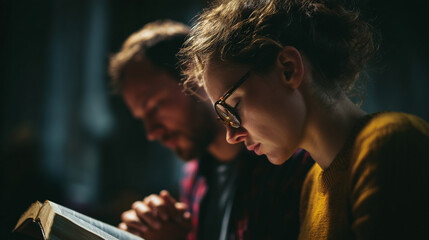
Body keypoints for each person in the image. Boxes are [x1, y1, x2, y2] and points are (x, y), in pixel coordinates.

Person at [179, 0, 429, 239]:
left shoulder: (389, 144)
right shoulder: (312, 184)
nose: (231, 136)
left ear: (288, 69)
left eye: (232, 107)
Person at [108, 20, 314, 240]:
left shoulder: (290, 162)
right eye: (142, 118)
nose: (151, 132)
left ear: (193, 75)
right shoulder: (193, 177)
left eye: (154, 106)